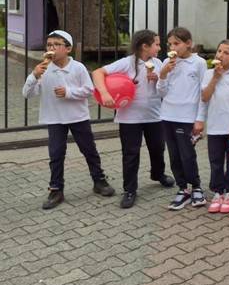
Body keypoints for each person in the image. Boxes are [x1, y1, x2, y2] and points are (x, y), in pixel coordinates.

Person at [23, 30, 115, 209]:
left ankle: (99, 181)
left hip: (77, 117)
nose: (51, 48)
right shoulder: (43, 69)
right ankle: (56, 189)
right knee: (56, 154)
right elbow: (27, 94)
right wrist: (33, 76)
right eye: (49, 45)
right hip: (54, 119)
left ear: (68, 49)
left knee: (89, 150)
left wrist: (69, 92)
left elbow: (89, 90)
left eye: (56, 45)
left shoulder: (78, 68)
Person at [92, 29, 174, 209]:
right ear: (145, 46)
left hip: (154, 116)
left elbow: (164, 90)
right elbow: (97, 73)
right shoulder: (127, 63)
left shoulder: (159, 63)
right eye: (157, 44)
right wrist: (105, 93)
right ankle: (130, 190)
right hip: (130, 118)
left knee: (158, 148)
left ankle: (158, 174)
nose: (160, 48)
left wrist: (159, 78)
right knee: (131, 154)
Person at [157, 27, 208, 210]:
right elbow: (160, 92)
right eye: (170, 44)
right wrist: (163, 74)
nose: (173, 47)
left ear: (188, 44)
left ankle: (196, 187)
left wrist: (200, 119)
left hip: (187, 117)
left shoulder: (199, 63)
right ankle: (182, 188)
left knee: (187, 155)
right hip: (167, 115)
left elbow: (203, 93)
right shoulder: (167, 62)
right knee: (174, 155)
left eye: (176, 43)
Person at [197, 40, 229, 214]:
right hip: (215, 127)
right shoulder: (208, 73)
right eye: (219, 51)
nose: (220, 55)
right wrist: (215, 78)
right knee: (216, 161)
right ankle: (217, 192)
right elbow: (204, 97)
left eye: (226, 53)